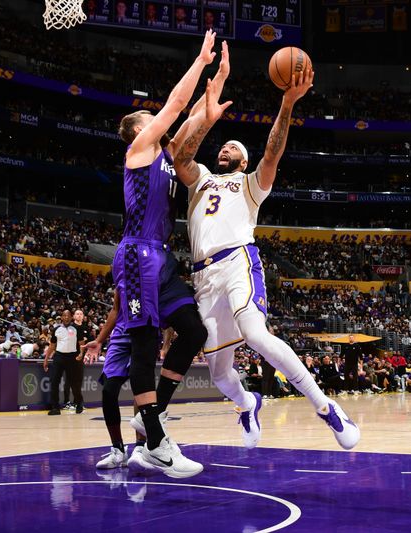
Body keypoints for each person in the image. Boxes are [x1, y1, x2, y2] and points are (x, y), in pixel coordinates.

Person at [172, 51, 359, 451]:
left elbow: (273, 151)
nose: (224, 149)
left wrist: (287, 103)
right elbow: (181, 156)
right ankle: (246, 403)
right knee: (220, 373)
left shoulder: (251, 185)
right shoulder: (201, 179)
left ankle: (325, 406)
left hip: (238, 260)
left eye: (232, 147)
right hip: (203, 276)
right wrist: (207, 119)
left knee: (256, 334)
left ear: (243, 160)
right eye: (222, 146)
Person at [111, 31, 218, 478]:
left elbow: (190, 118)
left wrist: (216, 84)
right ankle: (154, 440)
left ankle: (152, 416)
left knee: (193, 333)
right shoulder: (138, 150)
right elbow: (176, 106)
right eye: (151, 119)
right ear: (139, 130)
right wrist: (199, 61)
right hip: (136, 255)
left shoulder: (167, 155)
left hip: (163, 258)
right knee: (144, 343)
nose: (159, 122)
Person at [84, 291, 154, 473]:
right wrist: (99, 340)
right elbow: (115, 309)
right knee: (108, 390)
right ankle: (118, 450)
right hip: (120, 335)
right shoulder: (122, 273)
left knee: (140, 389)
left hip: (144, 332)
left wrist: (166, 344)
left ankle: (140, 447)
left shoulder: (153, 268)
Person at [43, 310, 83, 415]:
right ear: (62, 317)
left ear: (71, 318)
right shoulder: (56, 329)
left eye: (68, 316)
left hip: (72, 357)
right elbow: (52, 346)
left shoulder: (76, 329)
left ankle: (79, 403)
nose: (66, 317)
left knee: (74, 383)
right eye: (64, 316)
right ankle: (55, 408)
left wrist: (81, 354)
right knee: (54, 381)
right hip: (59, 357)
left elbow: (81, 343)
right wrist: (46, 359)